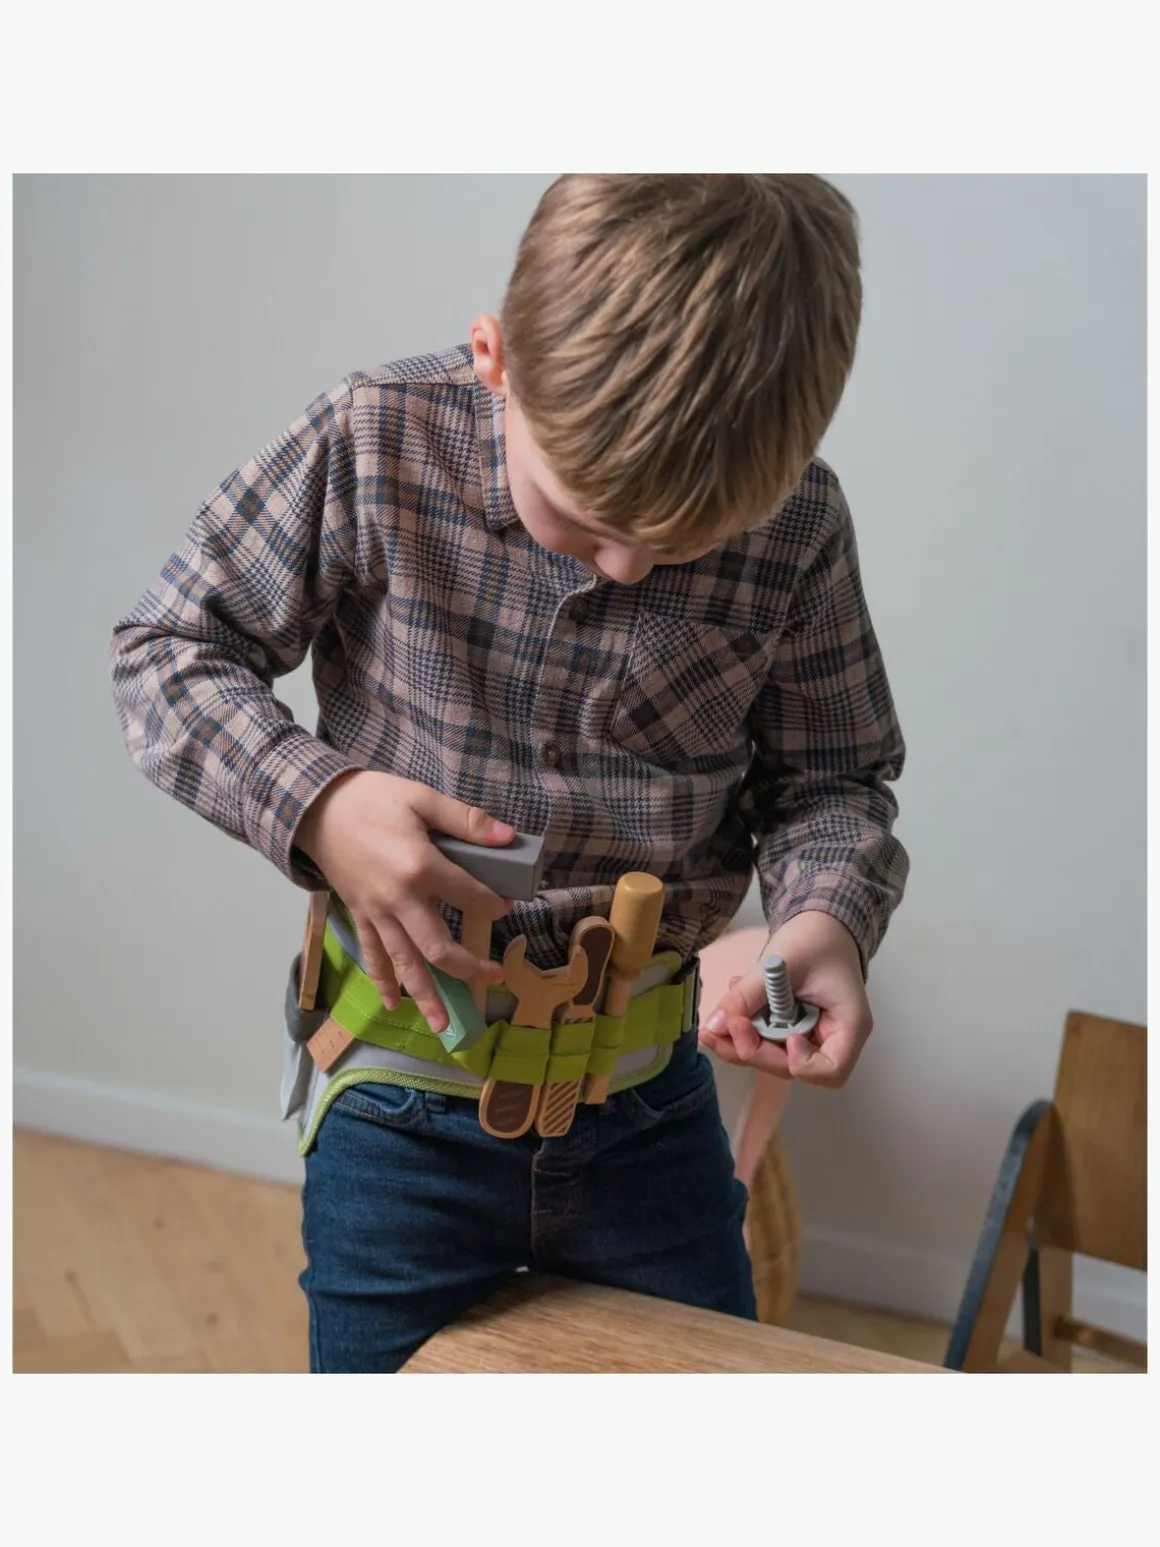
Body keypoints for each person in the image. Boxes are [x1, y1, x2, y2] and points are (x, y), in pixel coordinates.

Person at [110, 173, 908, 1372]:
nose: (632, 567)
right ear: (497, 359)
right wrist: (318, 801)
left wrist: (821, 919)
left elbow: (833, 781)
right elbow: (167, 650)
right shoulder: (373, 435)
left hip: (649, 1110)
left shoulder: (798, 526)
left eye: (687, 542)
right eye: (583, 519)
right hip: (398, 1103)